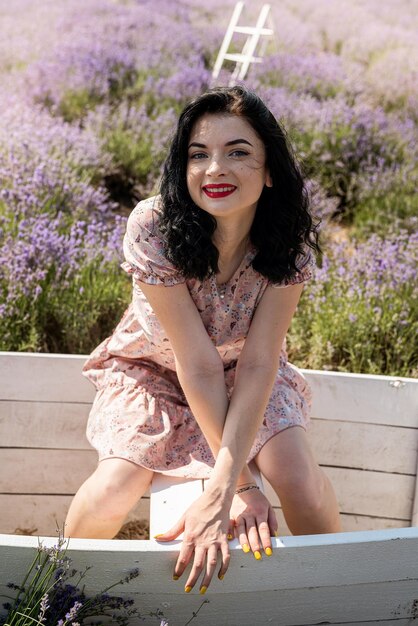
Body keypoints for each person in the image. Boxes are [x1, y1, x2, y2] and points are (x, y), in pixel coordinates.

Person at [65, 85, 341, 592]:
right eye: (199, 154)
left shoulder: (287, 243)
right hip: (153, 373)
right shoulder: (154, 226)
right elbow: (195, 365)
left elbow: (260, 363)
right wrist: (235, 485)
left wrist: (231, 485)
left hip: (246, 377)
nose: (215, 169)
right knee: (113, 487)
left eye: (238, 152)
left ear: (270, 169)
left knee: (297, 476)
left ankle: (334, 596)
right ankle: (57, 594)